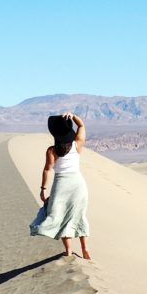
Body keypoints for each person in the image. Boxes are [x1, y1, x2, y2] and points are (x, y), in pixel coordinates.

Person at [29, 111, 91, 260]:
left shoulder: (52, 150)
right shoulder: (77, 144)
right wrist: (74, 116)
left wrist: (43, 189)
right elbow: (82, 125)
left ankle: (69, 251)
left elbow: (47, 170)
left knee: (62, 217)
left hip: (61, 186)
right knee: (79, 216)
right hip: (78, 185)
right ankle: (85, 249)